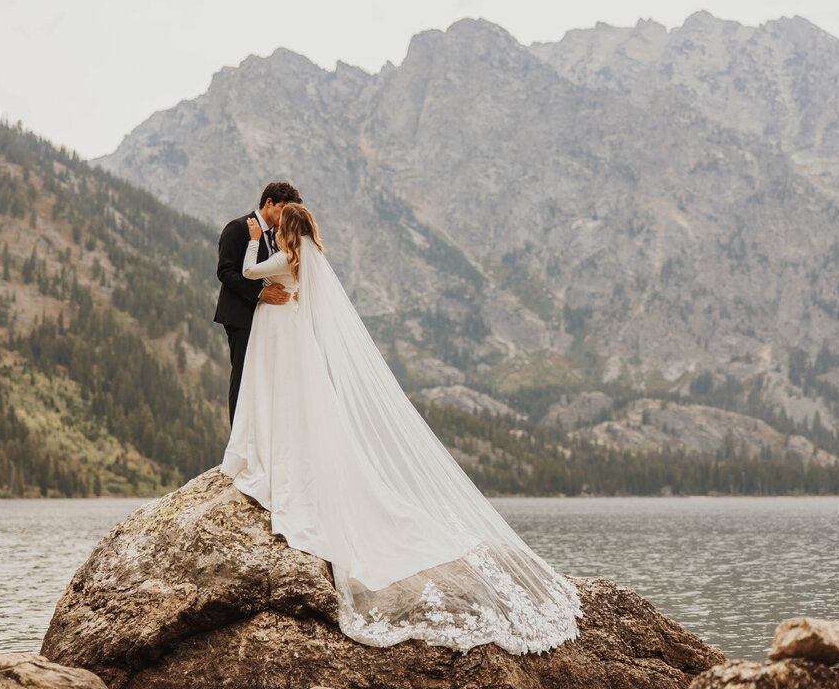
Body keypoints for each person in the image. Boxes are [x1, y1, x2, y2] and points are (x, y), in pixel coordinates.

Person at [220, 202, 582, 654]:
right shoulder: (304, 259)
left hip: (278, 328)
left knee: (275, 392)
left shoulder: (277, 257)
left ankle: (268, 451)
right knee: (294, 398)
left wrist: (255, 239)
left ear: (285, 226)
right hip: (290, 330)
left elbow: (250, 271)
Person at [214, 182, 302, 424]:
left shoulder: (277, 234)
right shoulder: (238, 228)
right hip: (241, 315)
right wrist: (260, 294)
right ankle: (238, 440)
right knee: (243, 377)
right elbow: (225, 271)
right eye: (283, 208)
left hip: (269, 318)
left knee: (264, 377)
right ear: (269, 202)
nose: (285, 215)